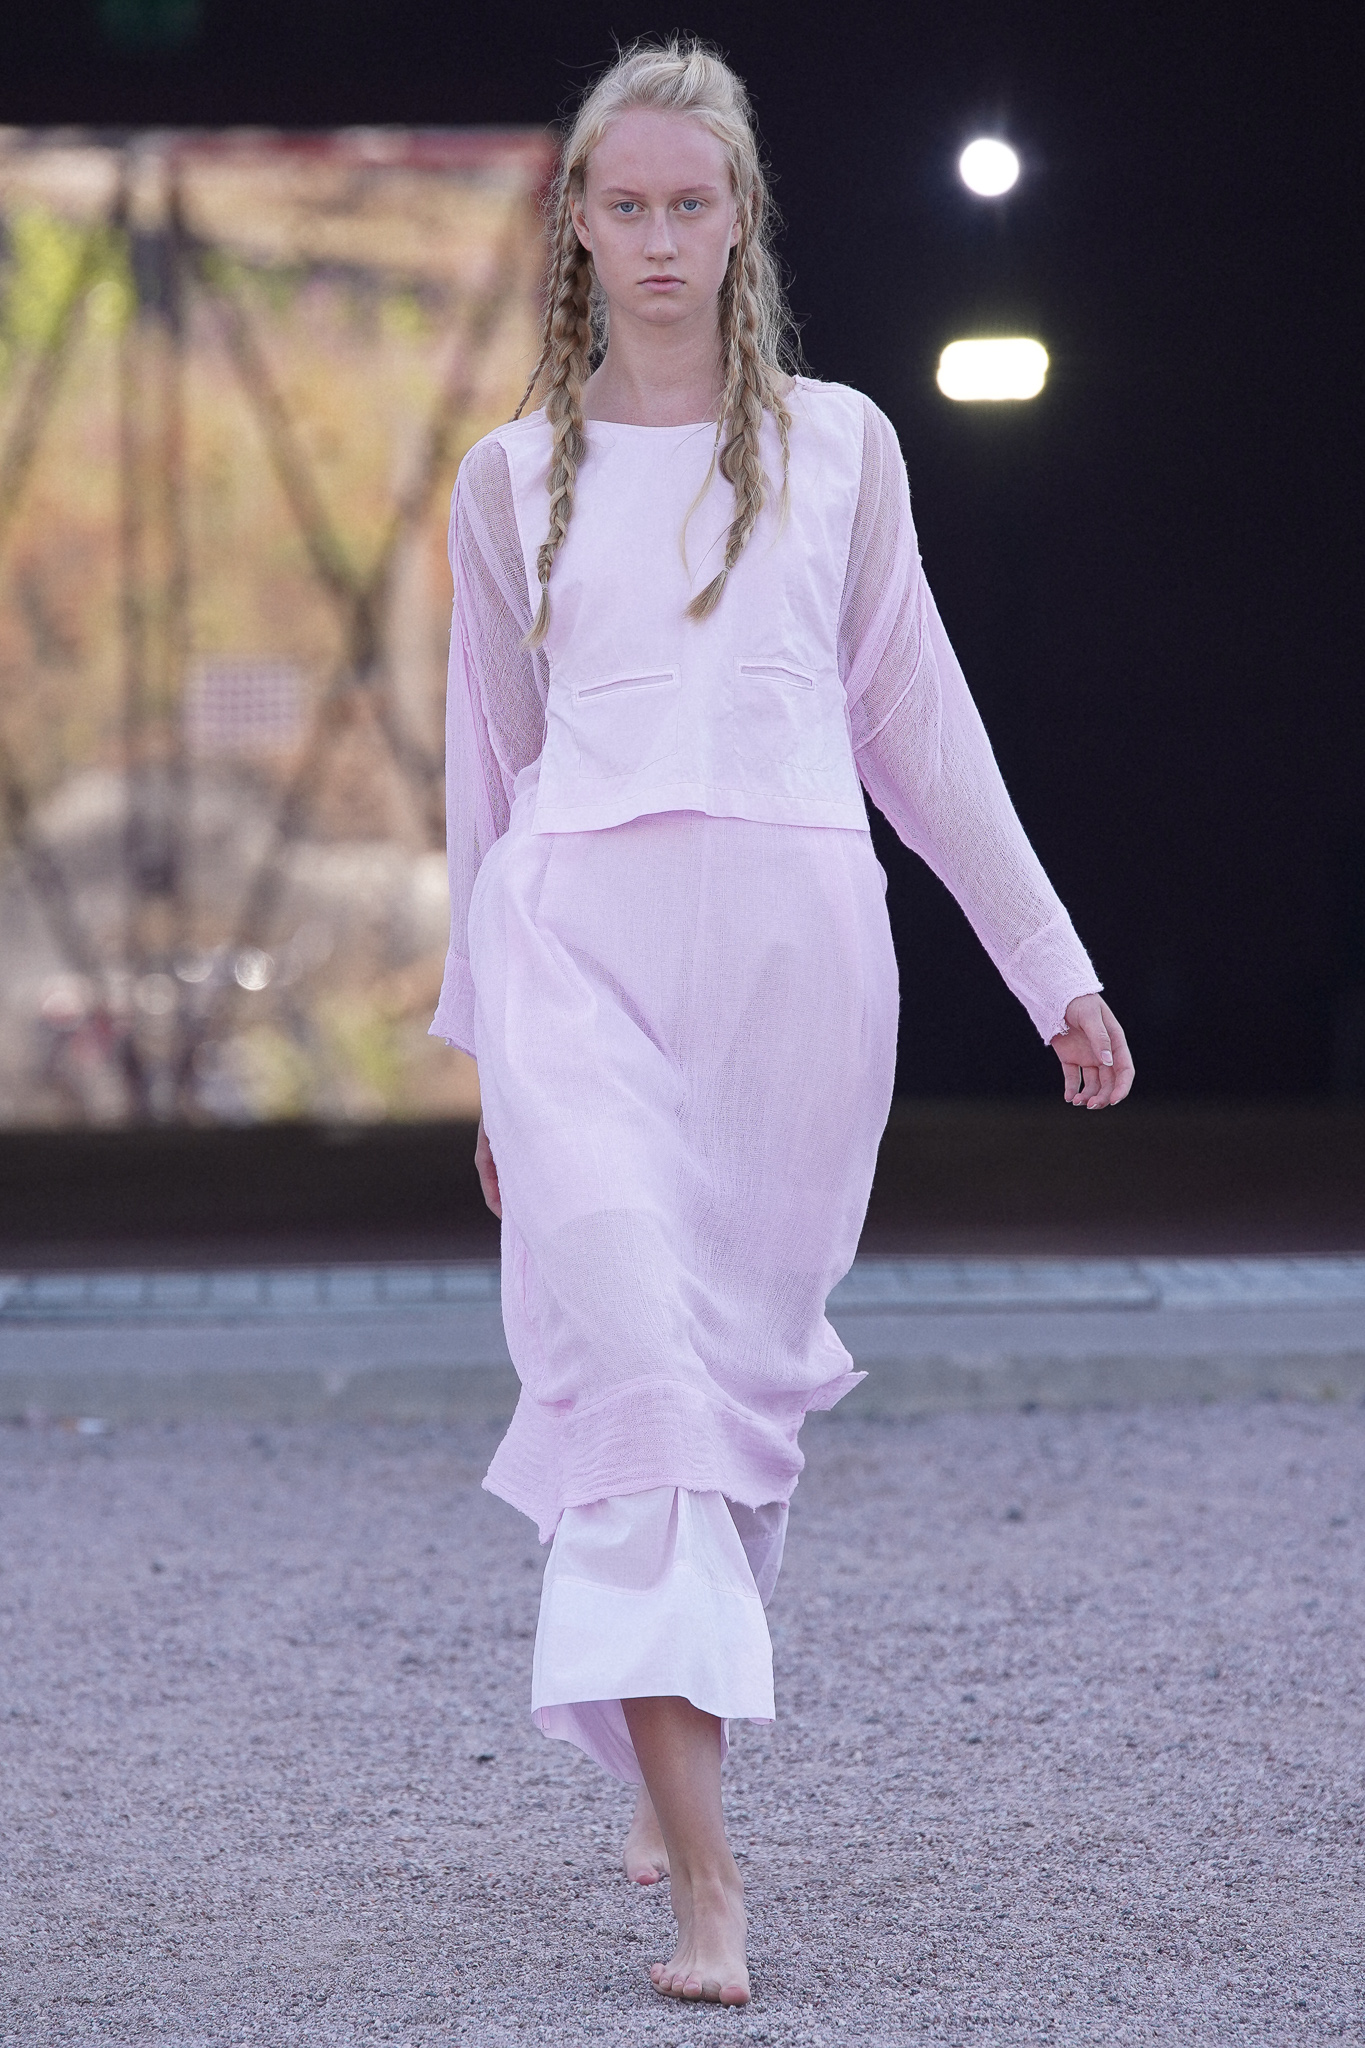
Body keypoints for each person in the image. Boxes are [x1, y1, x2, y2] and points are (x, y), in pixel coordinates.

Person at [431, 38, 1134, 2009]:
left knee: (736, 1406)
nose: (659, 237)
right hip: (575, 957)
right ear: (576, 226)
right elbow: (489, 774)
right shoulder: (507, 480)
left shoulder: (839, 448)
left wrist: (1049, 963)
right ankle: (709, 1888)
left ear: (739, 219)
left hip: (796, 975)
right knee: (640, 1393)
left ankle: (658, 1737)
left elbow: (919, 724)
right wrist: (488, 1056)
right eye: (625, 204)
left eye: (691, 202)